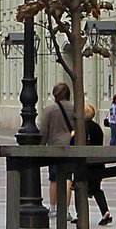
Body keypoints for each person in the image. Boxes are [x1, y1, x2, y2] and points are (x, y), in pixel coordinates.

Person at [39, 81, 75, 219]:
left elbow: (44, 130)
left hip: (54, 146)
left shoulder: (50, 109)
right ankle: (65, 210)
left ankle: (53, 208)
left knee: (54, 178)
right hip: (71, 146)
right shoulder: (74, 108)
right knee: (68, 178)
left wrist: (41, 147)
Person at [77, 103, 112, 226]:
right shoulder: (97, 127)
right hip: (99, 163)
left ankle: (80, 214)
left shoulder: (82, 128)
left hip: (87, 164)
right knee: (96, 189)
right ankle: (105, 211)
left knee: (80, 187)